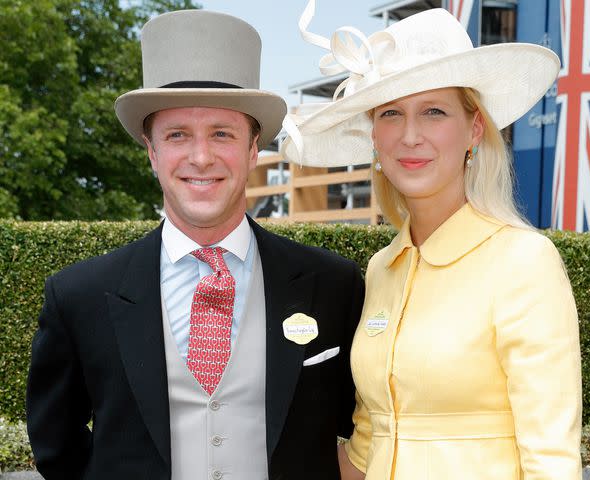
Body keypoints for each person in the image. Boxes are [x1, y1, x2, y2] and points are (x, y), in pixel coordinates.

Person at [26, 9, 364, 480]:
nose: (200, 157)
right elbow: (55, 445)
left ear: (253, 149)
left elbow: (368, 422)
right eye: (178, 135)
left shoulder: (334, 284)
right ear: (152, 151)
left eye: (222, 134)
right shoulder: (78, 295)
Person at [282, 3, 582, 479]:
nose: (410, 135)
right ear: (374, 137)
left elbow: (552, 459)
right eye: (391, 114)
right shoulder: (384, 267)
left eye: (434, 112)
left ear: (474, 129)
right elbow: (370, 438)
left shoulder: (523, 261)